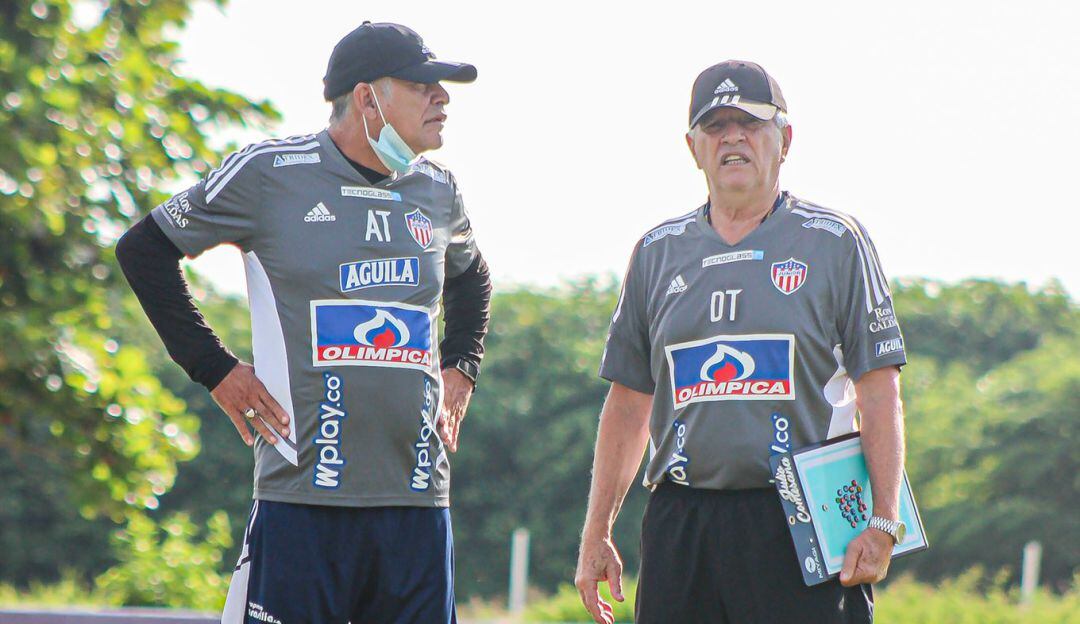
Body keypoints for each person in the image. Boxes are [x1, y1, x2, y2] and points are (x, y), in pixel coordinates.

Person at [115, 22, 490, 624]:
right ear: (368, 97)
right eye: (423, 86)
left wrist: (462, 367)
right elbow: (143, 251)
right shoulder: (270, 172)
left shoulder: (438, 189)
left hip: (418, 502)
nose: (441, 98)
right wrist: (216, 369)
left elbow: (473, 278)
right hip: (302, 499)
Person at [573, 60, 908, 624]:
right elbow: (629, 404)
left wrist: (882, 519)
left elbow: (879, 392)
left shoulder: (835, 242)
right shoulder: (657, 251)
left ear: (786, 139)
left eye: (750, 124)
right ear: (693, 147)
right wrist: (597, 531)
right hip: (682, 519)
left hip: (800, 515)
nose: (733, 138)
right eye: (716, 126)